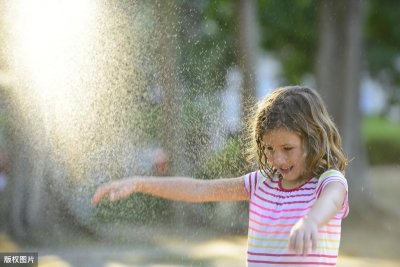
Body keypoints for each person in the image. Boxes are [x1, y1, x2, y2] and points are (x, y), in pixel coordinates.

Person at [92, 86, 349, 266]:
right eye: (270, 149)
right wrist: (139, 182)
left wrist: (311, 222)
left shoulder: (327, 182)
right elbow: (198, 190)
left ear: (312, 140)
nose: (278, 159)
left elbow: (332, 200)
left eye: (288, 148)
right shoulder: (261, 183)